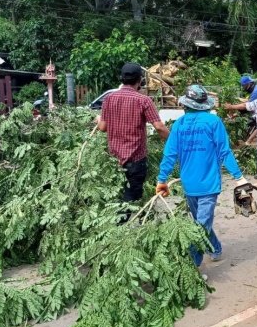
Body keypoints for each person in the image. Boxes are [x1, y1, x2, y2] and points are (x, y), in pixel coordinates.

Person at [156, 84, 248, 268]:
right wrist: (239, 177)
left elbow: (170, 155)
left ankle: (194, 265)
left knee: (201, 224)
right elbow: (224, 151)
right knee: (201, 225)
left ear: (185, 104)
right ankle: (211, 252)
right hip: (208, 184)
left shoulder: (179, 125)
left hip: (190, 184)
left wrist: (162, 180)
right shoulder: (213, 122)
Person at [97, 63, 169, 202]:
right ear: (140, 80)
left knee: (117, 198)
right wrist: (174, 142)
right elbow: (159, 127)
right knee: (132, 200)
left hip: (114, 161)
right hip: (135, 160)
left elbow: (103, 127)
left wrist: (98, 119)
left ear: (122, 78)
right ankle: (128, 216)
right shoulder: (143, 100)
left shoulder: (109, 99)